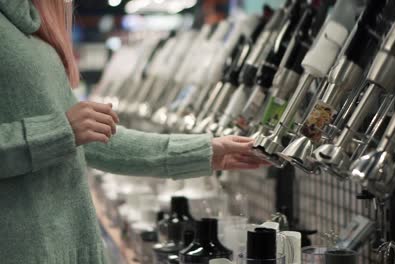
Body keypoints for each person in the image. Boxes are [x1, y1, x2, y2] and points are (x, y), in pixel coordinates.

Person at [0, 1, 266, 263]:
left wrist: (204, 152)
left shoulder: (31, 29)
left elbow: (94, 139)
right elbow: (70, 134)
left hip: (67, 244)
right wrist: (59, 131)